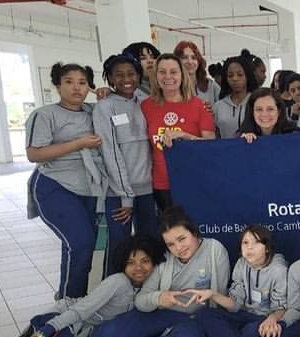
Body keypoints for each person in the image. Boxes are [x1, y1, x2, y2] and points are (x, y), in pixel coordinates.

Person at [0, 236, 164, 337]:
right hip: (64, 321)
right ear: (122, 265)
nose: (138, 267)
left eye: (145, 261)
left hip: (83, 335)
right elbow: (80, 310)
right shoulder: (118, 282)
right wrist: (40, 335)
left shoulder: (150, 291)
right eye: (131, 262)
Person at [90, 207, 230, 337]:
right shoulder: (164, 259)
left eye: (182, 239)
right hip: (160, 314)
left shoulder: (214, 250)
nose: (178, 248)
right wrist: (159, 298)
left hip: (194, 318)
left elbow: (220, 298)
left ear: (195, 233)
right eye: (170, 244)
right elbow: (141, 301)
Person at [26, 62, 104, 300]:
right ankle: (71, 304)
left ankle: (68, 298)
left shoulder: (93, 111)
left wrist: (105, 94)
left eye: (82, 82)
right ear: (58, 85)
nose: (76, 88)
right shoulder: (45, 115)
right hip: (55, 186)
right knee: (81, 243)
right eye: (69, 82)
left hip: (89, 188)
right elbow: (34, 154)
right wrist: (78, 144)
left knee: (77, 246)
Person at [94, 53, 158, 277]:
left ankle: (145, 291)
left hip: (148, 190)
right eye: (118, 75)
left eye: (131, 73)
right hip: (119, 194)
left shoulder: (145, 102)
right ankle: (111, 293)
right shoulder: (104, 107)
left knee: (149, 244)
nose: (126, 79)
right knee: (119, 247)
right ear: (110, 78)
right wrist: (125, 195)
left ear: (139, 76)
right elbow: (110, 152)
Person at [192, 225, 287, 337]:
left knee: (251, 331)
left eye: (256, 242)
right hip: (244, 314)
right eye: (245, 242)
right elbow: (235, 305)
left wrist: (272, 319)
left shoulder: (278, 270)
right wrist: (212, 294)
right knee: (204, 314)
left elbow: (282, 307)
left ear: (267, 248)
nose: (249, 247)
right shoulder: (241, 264)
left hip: (265, 318)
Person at [141, 53, 215, 211]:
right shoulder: (146, 106)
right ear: (155, 75)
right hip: (161, 183)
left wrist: (184, 135)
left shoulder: (199, 106)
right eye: (162, 72)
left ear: (182, 75)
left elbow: (211, 145)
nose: (168, 77)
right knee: (171, 231)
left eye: (173, 72)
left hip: (193, 180)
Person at [213, 54, 257, 138]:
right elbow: (215, 136)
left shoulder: (257, 102)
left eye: (240, 74)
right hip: (226, 150)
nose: (235, 79)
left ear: (248, 76)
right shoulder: (218, 107)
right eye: (230, 75)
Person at [174, 40, 220, 105]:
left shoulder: (211, 86)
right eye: (185, 57)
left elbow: (223, 109)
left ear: (199, 61)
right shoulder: (171, 86)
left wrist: (213, 110)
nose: (190, 62)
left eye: (193, 58)